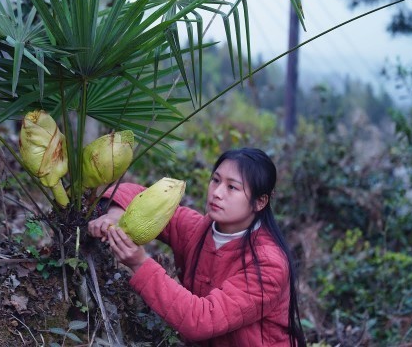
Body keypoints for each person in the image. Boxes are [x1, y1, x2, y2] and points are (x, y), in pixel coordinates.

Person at [88, 148, 306, 346]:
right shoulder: (197, 229)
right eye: (216, 180)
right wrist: (116, 215)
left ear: (260, 201)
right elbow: (135, 194)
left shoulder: (268, 264)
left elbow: (200, 320)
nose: (217, 193)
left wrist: (140, 264)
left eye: (232, 187)